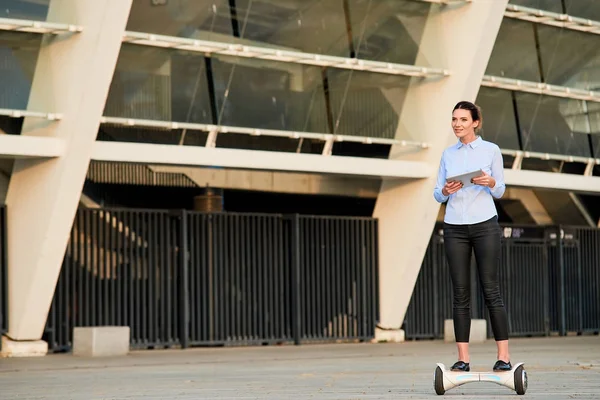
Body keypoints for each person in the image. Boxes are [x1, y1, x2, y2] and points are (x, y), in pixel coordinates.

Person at [433, 101, 511, 372]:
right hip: (455, 226)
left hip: (485, 225)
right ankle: (463, 359)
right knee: (460, 294)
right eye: (454, 119)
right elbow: (437, 193)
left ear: (475, 122)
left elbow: (500, 189)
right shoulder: (447, 154)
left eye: (463, 119)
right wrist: (446, 189)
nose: (457, 124)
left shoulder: (491, 150)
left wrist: (489, 182)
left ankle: (503, 357)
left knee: (491, 291)